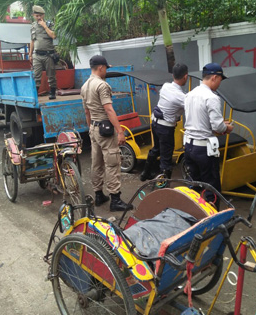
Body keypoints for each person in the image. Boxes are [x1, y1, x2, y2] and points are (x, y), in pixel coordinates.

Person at [80, 55, 132, 212]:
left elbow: (86, 111)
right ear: (101, 67)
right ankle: (115, 199)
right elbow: (109, 109)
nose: (106, 72)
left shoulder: (85, 86)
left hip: (94, 129)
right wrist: (120, 131)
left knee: (96, 163)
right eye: (106, 69)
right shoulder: (102, 86)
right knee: (112, 162)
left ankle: (98, 195)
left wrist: (90, 129)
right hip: (105, 130)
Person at [183, 63, 233, 207]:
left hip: (189, 147)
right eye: (220, 80)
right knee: (211, 188)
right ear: (215, 78)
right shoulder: (211, 97)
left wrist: (219, 124)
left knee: (195, 185)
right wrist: (227, 128)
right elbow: (218, 126)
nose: (220, 83)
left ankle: (194, 215)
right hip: (204, 150)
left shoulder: (190, 94)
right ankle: (212, 221)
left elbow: (199, 119)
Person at [140, 63, 189, 181]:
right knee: (166, 158)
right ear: (185, 76)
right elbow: (190, 103)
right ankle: (163, 187)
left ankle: (145, 173)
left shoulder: (166, 86)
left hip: (155, 123)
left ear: (173, 75)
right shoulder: (181, 97)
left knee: (156, 148)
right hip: (165, 128)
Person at [29, 5, 57, 100]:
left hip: (48, 54)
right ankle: (35, 94)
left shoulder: (49, 24)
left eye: (40, 15)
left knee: (51, 75)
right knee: (36, 75)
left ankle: (52, 93)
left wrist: (45, 26)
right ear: (33, 15)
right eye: (36, 15)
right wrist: (30, 54)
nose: (39, 17)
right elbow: (32, 41)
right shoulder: (33, 26)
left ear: (43, 15)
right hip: (36, 55)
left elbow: (53, 36)